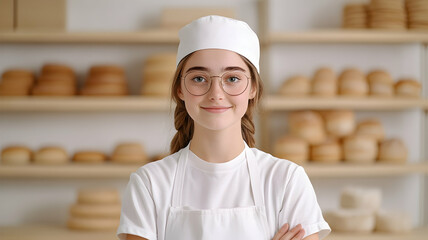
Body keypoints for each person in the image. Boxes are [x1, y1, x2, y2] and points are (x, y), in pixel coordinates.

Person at [117, 15, 331, 240]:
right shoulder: (150, 184)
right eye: (199, 78)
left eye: (232, 78)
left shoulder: (286, 181)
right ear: (180, 89)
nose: (216, 94)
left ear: (253, 88)